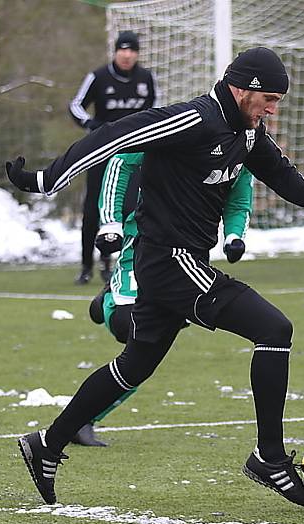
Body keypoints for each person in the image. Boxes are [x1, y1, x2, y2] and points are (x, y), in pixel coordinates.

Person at [7, 46, 304, 508]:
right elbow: (114, 135)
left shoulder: (247, 131)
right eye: (270, 99)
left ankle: (46, 444)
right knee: (274, 328)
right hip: (171, 262)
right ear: (243, 88)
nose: (273, 109)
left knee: (134, 366)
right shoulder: (194, 119)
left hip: (175, 264)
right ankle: (269, 457)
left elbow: (285, 177)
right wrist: (48, 180)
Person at [70, 151, 253, 447]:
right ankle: (108, 304)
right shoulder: (182, 136)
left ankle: (83, 420)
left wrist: (234, 236)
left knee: (147, 351)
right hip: (142, 254)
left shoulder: (243, 151)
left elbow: (241, 197)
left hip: (186, 265)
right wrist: (110, 223)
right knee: (135, 334)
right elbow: (120, 160)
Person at [69, 30, 158, 285]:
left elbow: (157, 111)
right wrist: (92, 125)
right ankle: (86, 267)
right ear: (116, 51)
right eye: (123, 49)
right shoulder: (98, 77)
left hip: (133, 155)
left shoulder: (146, 78)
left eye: (132, 50)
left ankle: (113, 265)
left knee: (129, 209)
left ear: (137, 53)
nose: (127, 55)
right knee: (93, 210)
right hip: (101, 153)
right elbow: (75, 105)